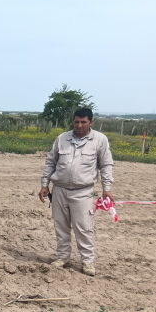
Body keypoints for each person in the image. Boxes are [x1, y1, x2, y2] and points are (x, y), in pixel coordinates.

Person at [39, 108, 113, 277]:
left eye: (83, 122)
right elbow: (50, 162)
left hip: (83, 191)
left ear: (91, 122)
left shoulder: (99, 140)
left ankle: (87, 261)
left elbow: (106, 165)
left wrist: (107, 189)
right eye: (76, 122)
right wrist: (45, 184)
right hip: (59, 189)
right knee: (61, 225)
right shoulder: (62, 138)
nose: (79, 125)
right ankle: (63, 257)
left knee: (84, 227)